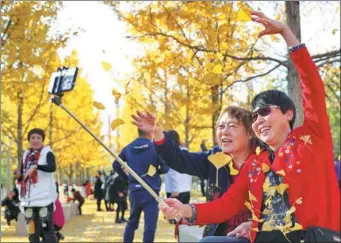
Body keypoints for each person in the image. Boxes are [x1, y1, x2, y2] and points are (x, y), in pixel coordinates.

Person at [160, 11, 341, 243]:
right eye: (254, 117)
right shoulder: (256, 164)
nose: (259, 120)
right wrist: (185, 210)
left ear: (288, 113)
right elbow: (226, 205)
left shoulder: (311, 139)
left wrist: (287, 34)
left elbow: (312, 86)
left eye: (265, 111)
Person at [132, 106, 261, 241]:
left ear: (250, 132)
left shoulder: (264, 160)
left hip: (255, 235)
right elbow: (179, 159)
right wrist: (157, 132)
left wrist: (256, 224)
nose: (225, 132)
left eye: (232, 126)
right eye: (221, 126)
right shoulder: (214, 159)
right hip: (220, 234)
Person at [112, 129, 169, 243]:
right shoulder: (155, 148)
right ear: (150, 132)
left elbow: (116, 164)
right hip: (151, 192)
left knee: (132, 222)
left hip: (134, 191)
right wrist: (155, 172)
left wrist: (127, 178)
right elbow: (165, 168)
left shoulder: (128, 148)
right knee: (150, 226)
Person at [15, 128, 58, 243]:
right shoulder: (26, 156)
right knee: (32, 233)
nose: (35, 140)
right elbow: (24, 176)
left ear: (42, 139)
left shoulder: (47, 153)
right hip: (28, 202)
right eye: (33, 138)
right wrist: (19, 176)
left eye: (38, 138)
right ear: (29, 140)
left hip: (44, 200)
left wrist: (36, 166)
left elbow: (52, 168)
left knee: (47, 231)